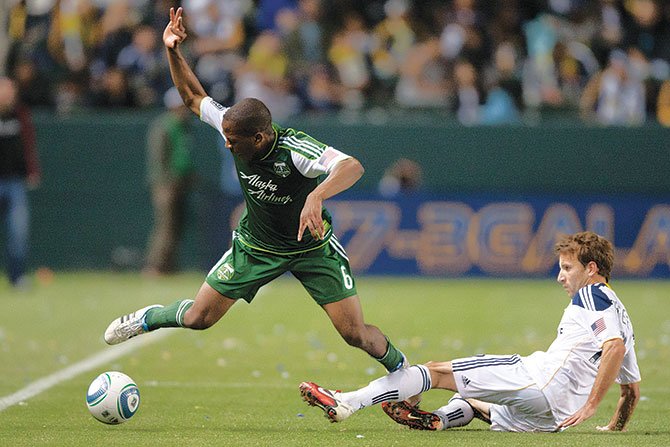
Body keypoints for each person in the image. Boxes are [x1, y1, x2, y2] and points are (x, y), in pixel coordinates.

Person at [103, 7, 407, 375]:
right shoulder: (234, 124)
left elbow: (351, 166)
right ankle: (150, 317)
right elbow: (192, 98)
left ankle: (407, 374)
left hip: (311, 247)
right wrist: (172, 50)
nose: (228, 146)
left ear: (259, 138)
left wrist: (316, 195)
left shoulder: (294, 149)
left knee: (355, 333)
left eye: (234, 141)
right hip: (256, 247)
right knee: (200, 317)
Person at [300, 231, 641, 433]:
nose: (560, 276)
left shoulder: (593, 294)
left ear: (591, 269)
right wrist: (613, 428)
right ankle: (437, 420)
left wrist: (594, 405)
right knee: (474, 401)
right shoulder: (624, 318)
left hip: (540, 382)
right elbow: (631, 391)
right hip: (554, 416)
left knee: (436, 371)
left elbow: (612, 348)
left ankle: (347, 402)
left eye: (568, 268)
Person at [143, 86, 195, 276]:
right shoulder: (163, 126)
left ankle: (169, 267)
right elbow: (159, 158)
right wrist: (166, 183)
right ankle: (154, 267)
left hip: (180, 184)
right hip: (166, 185)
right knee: (165, 226)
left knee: (177, 226)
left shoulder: (184, 127)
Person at [0, 77, 40, 288]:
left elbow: (28, 143)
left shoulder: (20, 113)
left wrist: (32, 171)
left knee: (18, 232)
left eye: (10, 90)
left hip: (15, 181)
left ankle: (17, 277)